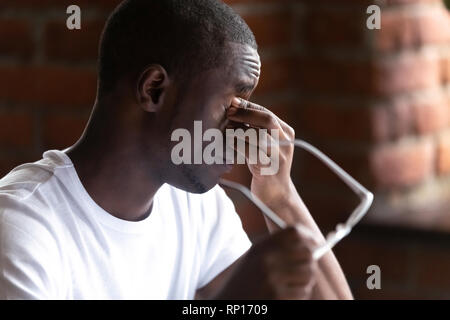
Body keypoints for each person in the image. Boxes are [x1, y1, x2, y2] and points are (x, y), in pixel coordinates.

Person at [0, 0, 352, 299]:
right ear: (154, 89)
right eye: (232, 105)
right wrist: (235, 300)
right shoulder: (22, 227)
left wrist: (279, 197)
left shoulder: (194, 206)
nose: (240, 131)